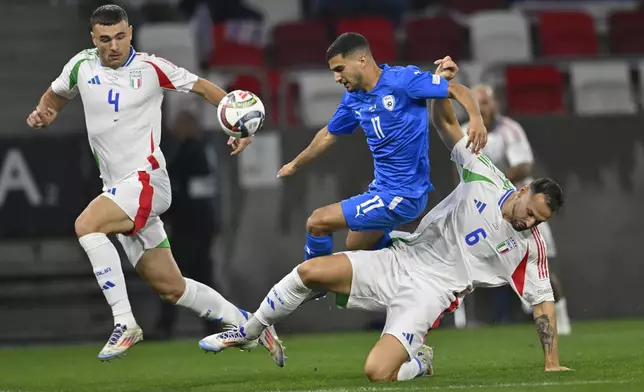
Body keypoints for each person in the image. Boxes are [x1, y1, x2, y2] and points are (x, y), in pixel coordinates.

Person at [198, 85, 571, 382]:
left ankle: (418, 363)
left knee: (378, 373)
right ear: (523, 192)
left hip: (431, 293)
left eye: (539, 221)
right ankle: (249, 330)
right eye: (531, 213)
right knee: (310, 271)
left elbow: (543, 302)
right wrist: (443, 85)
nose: (530, 223)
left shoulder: (529, 245)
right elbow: (447, 126)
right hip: (402, 257)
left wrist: (551, 362)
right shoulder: (486, 177)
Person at [25, 4, 284, 366]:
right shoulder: (80, 65)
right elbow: (54, 96)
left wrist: (239, 126)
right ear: (93, 38)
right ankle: (250, 323)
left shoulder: (150, 68)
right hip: (118, 188)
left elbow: (202, 87)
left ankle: (124, 323)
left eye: (119, 36)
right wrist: (45, 112)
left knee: (86, 225)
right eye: (104, 39)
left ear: (130, 32)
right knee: (171, 288)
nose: (113, 45)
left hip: (146, 180)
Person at [276, 33, 487, 278]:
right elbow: (327, 135)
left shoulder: (403, 81)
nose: (336, 78)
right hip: (381, 189)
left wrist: (476, 119)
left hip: (403, 193)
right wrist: (295, 164)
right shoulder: (353, 99)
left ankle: (311, 281)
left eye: (340, 69)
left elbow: (457, 89)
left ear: (362, 60)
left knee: (317, 222)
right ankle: (420, 265)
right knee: (355, 245)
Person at [459, 84, 572, 335]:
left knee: (542, 267)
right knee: (462, 259)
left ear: (494, 103)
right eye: (476, 103)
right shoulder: (466, 131)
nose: (482, 108)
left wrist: (494, 181)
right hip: (485, 211)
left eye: (485, 102)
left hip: (523, 208)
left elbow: (522, 166)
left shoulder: (510, 129)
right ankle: (464, 320)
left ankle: (561, 317)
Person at [152, 110, 221, 339]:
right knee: (202, 277)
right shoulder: (202, 149)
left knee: (172, 275)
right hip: (200, 224)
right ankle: (215, 323)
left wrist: (168, 208)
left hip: (190, 226)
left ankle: (166, 326)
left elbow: (183, 190)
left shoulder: (190, 151)